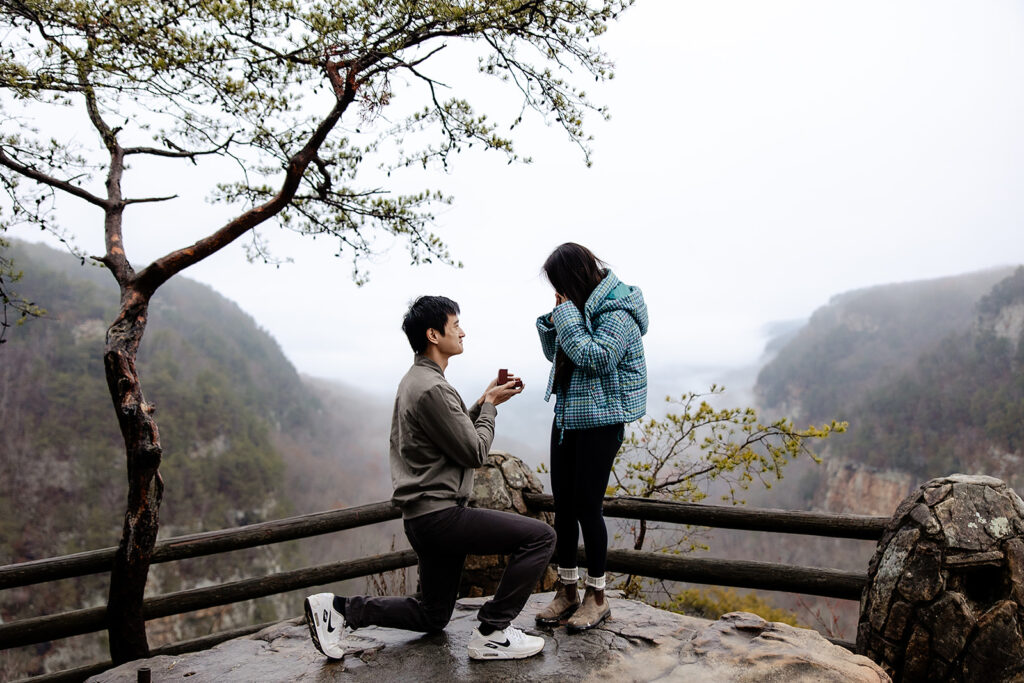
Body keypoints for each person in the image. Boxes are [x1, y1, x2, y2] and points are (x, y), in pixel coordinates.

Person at [304, 295, 556, 662]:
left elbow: (451, 433)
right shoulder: (432, 387)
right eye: (456, 326)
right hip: (442, 516)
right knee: (541, 537)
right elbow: (474, 452)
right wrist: (488, 410)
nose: (463, 332)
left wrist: (484, 402)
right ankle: (493, 630)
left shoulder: (417, 381)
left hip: (422, 518)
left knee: (432, 615)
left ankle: (340, 609)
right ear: (434, 334)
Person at [533, 243, 648, 631]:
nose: (558, 292)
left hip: (602, 421)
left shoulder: (619, 311)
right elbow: (561, 355)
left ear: (575, 276)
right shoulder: (578, 308)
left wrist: (565, 314)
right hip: (568, 416)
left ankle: (597, 598)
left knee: (587, 508)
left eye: (559, 284)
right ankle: (566, 590)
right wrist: (556, 320)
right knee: (563, 507)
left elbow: (596, 357)